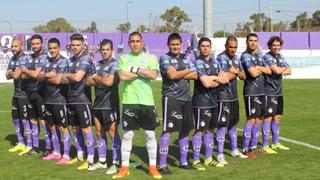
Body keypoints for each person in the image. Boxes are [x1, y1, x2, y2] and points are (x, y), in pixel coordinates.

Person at [112, 32, 161, 179]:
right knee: (127, 135)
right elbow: (121, 76)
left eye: (137, 41)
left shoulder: (151, 58)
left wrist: (133, 70)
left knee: (150, 135)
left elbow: (153, 75)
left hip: (147, 102)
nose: (135, 43)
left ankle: (153, 167)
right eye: (132, 41)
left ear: (142, 42)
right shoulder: (123, 58)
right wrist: (142, 72)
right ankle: (124, 168)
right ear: (128, 43)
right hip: (129, 102)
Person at [158, 33, 198, 175]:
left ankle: (184, 162)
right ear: (168, 45)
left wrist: (180, 72)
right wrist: (187, 70)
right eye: (172, 44)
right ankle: (162, 164)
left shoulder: (187, 57)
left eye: (177, 44)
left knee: (185, 130)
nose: (175, 47)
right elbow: (172, 75)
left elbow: (196, 75)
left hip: (187, 99)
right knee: (168, 130)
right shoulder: (164, 58)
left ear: (181, 44)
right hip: (171, 98)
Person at [85, 39, 121, 174]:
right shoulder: (96, 64)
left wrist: (96, 77)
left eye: (107, 49)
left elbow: (109, 82)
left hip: (111, 105)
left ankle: (116, 163)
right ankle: (102, 161)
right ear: (100, 50)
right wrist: (99, 78)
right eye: (103, 50)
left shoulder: (115, 64)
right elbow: (88, 82)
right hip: (98, 104)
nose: (105, 52)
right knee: (99, 132)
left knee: (113, 133)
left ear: (112, 50)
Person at [191, 37, 228, 170]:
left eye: (208, 46)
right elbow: (206, 83)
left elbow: (225, 79)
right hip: (201, 102)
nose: (205, 48)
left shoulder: (216, 63)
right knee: (199, 130)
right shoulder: (198, 62)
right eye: (203, 46)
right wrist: (217, 80)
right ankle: (195, 160)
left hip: (214, 101)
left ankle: (208, 158)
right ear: (199, 48)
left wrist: (213, 78)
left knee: (210, 130)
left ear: (210, 48)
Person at [61, 33, 95, 170]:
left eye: (77, 45)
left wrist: (68, 75)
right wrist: (69, 76)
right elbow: (61, 79)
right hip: (71, 99)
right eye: (73, 45)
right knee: (75, 129)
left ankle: (90, 159)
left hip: (83, 100)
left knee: (87, 129)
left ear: (83, 45)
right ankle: (80, 156)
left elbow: (77, 77)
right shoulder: (70, 60)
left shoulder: (86, 59)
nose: (75, 47)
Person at [215, 36, 247, 165]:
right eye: (230, 47)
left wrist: (235, 71)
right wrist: (236, 72)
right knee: (223, 124)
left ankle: (234, 150)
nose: (232, 49)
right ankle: (220, 154)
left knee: (233, 123)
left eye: (235, 47)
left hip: (234, 96)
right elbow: (224, 77)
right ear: (225, 45)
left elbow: (244, 76)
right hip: (223, 96)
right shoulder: (221, 58)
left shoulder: (237, 59)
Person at [39, 38, 71, 164]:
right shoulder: (46, 61)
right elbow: (39, 76)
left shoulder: (64, 62)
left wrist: (46, 76)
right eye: (50, 48)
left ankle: (66, 155)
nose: (52, 50)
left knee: (63, 128)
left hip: (60, 101)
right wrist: (49, 75)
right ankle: (56, 152)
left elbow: (58, 80)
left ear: (59, 48)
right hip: (48, 101)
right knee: (52, 127)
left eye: (54, 48)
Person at [240, 33, 271, 158]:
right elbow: (252, 73)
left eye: (255, 41)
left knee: (259, 119)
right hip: (251, 92)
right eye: (250, 40)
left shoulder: (259, 56)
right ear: (247, 42)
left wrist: (260, 68)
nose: (253, 43)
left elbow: (269, 70)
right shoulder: (244, 56)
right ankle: (245, 149)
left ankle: (253, 147)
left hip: (261, 91)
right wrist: (260, 69)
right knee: (251, 119)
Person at [21, 34, 51, 156]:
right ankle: (35, 147)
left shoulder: (45, 57)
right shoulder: (29, 58)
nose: (34, 46)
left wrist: (26, 70)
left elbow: (35, 74)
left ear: (41, 44)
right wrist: (31, 73)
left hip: (41, 93)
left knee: (44, 121)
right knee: (33, 121)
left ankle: (49, 147)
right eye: (33, 44)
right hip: (29, 92)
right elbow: (21, 76)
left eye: (37, 43)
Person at [262, 36, 291, 152]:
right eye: (274, 45)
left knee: (277, 117)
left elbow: (290, 70)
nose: (276, 47)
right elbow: (278, 71)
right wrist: (282, 69)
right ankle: (265, 145)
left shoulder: (281, 56)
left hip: (279, 92)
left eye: (278, 45)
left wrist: (282, 69)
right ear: (269, 46)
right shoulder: (267, 57)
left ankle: (275, 143)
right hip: (269, 92)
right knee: (268, 118)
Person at [6, 38, 33, 155]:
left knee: (26, 120)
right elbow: (8, 75)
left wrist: (13, 73)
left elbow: (16, 75)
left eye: (15, 46)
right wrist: (12, 73)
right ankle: (21, 143)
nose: (13, 49)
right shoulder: (12, 59)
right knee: (15, 118)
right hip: (16, 94)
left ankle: (30, 145)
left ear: (21, 47)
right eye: (12, 46)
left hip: (25, 95)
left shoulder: (26, 58)